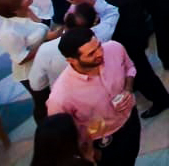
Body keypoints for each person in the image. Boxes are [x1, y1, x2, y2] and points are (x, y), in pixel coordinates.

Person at [47, 28, 142, 164]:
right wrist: (92, 153)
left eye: (99, 46)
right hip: (103, 143)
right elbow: (63, 135)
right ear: (71, 60)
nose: (100, 53)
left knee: (132, 156)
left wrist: (128, 89)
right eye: (91, 54)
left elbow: (129, 68)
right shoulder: (60, 97)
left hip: (131, 120)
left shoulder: (114, 48)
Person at [95, 0, 169, 119]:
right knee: (139, 72)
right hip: (132, 39)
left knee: (143, 73)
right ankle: (140, 85)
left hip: (131, 43)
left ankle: (162, 100)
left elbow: (118, 18)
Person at [0, 0, 61, 123]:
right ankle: (44, 126)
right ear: (15, 11)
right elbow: (21, 58)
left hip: (47, 61)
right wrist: (44, 47)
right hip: (30, 71)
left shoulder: (30, 10)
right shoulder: (9, 33)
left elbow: (44, 28)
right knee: (43, 101)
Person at [29, 0, 119, 93]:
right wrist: (89, 0)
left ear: (65, 17)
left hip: (67, 96)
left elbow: (36, 85)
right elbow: (112, 12)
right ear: (94, 21)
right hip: (103, 90)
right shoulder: (102, 34)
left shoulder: (46, 50)